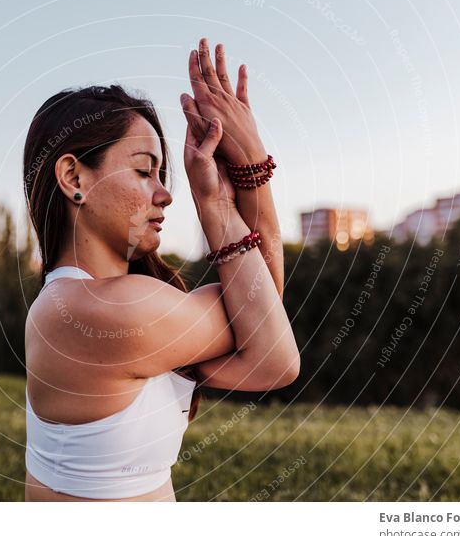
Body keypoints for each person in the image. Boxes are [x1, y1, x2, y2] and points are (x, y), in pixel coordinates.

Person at [22, 38, 300, 502]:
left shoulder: (99, 301)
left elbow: (262, 314)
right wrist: (231, 182)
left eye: (161, 175)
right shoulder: (101, 310)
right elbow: (275, 355)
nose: (165, 194)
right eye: (143, 171)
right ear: (74, 179)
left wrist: (244, 177)